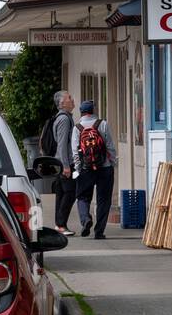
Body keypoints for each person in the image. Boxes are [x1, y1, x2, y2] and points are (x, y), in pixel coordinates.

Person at [72, 100, 118, 239]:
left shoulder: (77, 128)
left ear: (81, 112)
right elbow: (110, 146)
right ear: (93, 110)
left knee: (83, 197)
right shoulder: (102, 124)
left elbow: (75, 151)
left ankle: (86, 219)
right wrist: (112, 162)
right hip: (104, 168)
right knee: (104, 199)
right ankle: (99, 231)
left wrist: (78, 168)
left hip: (86, 169)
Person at [41, 90, 78, 236]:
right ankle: (61, 224)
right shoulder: (64, 119)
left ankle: (59, 225)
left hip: (59, 162)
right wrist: (66, 166)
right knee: (70, 192)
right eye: (69, 97)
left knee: (62, 193)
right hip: (64, 163)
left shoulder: (62, 117)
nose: (72, 99)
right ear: (62, 103)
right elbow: (62, 144)